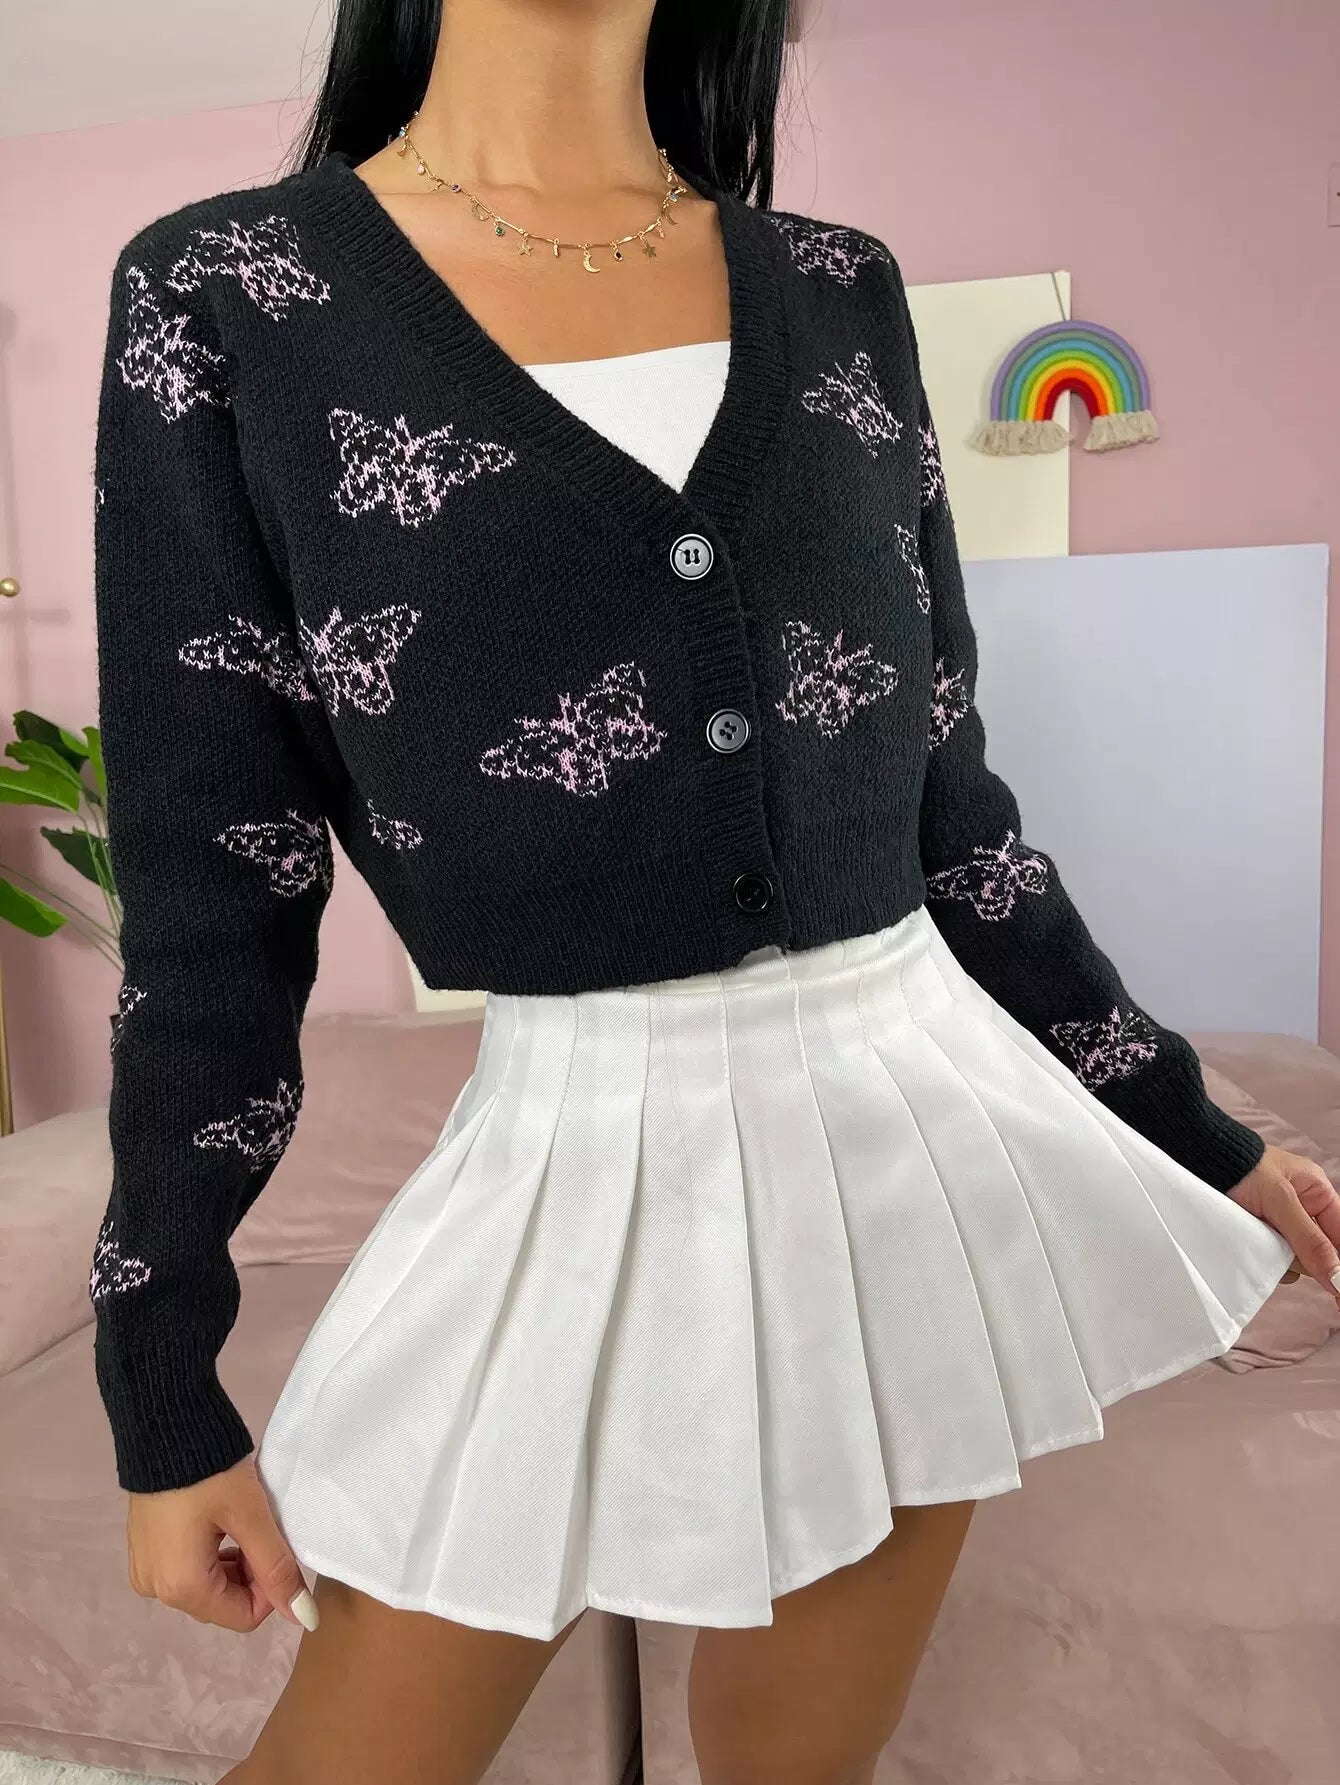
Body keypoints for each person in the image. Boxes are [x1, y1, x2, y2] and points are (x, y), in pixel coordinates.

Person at [87, 1, 1339, 1780]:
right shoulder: (224, 297)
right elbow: (216, 895)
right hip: (573, 1147)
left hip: (915, 1145)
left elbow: (956, 818)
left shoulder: (839, 288)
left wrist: (1197, 1127)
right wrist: (161, 1379)